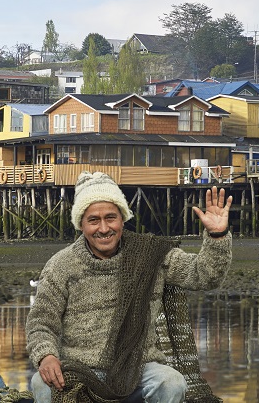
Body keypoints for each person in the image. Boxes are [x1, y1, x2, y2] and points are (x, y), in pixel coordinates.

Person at [26, 171, 232, 402]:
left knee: (171, 382)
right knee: (40, 384)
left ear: (122, 219)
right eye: (93, 220)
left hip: (140, 369)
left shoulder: (151, 255)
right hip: (79, 370)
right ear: (81, 224)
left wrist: (217, 236)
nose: (104, 228)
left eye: (111, 218)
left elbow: (204, 276)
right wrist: (46, 357)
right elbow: (41, 323)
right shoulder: (60, 265)